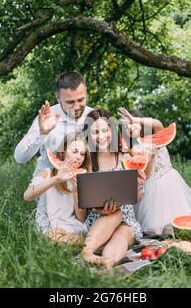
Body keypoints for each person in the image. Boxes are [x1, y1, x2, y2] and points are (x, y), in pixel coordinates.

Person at [118, 108, 191, 236]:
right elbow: (145, 176)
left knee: (183, 222)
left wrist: (134, 119)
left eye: (132, 123)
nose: (129, 127)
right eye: (125, 126)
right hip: (150, 191)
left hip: (170, 184)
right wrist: (151, 158)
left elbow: (157, 123)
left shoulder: (156, 135)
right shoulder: (132, 150)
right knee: (157, 231)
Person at [79, 109, 146, 269]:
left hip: (127, 220)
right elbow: (84, 202)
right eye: (95, 132)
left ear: (112, 130)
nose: (101, 136)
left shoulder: (125, 157)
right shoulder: (87, 162)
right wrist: (99, 209)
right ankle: (87, 251)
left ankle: (106, 264)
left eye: (105, 130)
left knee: (123, 232)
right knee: (114, 214)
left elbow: (135, 197)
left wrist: (138, 186)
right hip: (98, 219)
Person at [14, 72, 94, 176]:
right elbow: (20, 158)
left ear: (86, 92)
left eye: (81, 100)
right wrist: (42, 134)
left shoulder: (95, 117)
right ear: (58, 98)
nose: (76, 107)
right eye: (70, 102)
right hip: (48, 181)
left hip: (84, 182)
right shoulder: (47, 118)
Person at [23, 132, 90, 245]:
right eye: (74, 151)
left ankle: (66, 243)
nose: (78, 157)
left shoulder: (81, 178)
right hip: (48, 225)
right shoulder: (46, 173)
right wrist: (56, 179)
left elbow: (81, 219)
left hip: (72, 226)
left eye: (82, 154)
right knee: (57, 236)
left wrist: (75, 193)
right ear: (61, 153)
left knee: (78, 237)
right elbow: (27, 196)